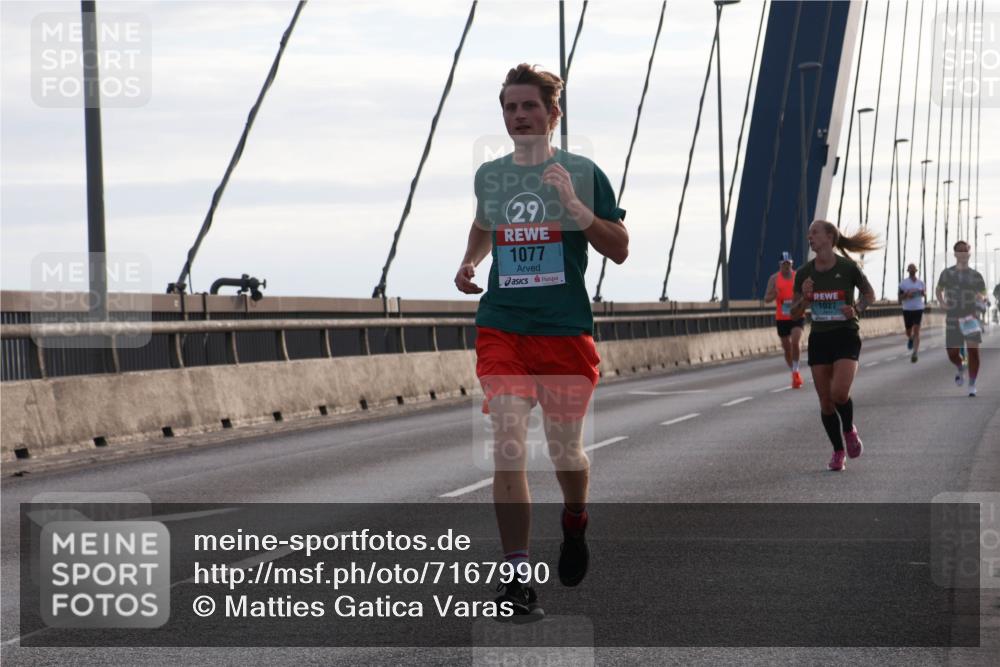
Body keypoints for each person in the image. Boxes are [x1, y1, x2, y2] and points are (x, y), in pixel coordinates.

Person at [454, 64, 628, 617]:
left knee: (565, 453)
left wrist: (577, 210)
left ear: (553, 115)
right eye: (510, 107)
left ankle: (575, 519)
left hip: (563, 333)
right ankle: (516, 579)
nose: (519, 116)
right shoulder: (491, 176)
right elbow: (486, 223)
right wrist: (470, 259)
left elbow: (620, 247)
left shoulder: (583, 171)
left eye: (530, 106)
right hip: (503, 324)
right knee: (507, 440)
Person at [790, 220, 879, 472]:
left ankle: (849, 429)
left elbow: (869, 294)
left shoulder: (848, 267)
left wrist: (857, 308)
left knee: (840, 393)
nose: (810, 237)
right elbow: (793, 311)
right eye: (808, 234)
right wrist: (805, 299)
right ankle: (838, 451)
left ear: (830, 236)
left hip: (845, 334)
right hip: (820, 339)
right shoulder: (804, 273)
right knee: (826, 403)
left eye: (814, 233)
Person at [935, 241, 987, 397]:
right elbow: (939, 290)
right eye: (960, 251)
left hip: (971, 317)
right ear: (955, 254)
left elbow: (983, 293)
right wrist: (942, 302)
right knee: (952, 353)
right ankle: (960, 366)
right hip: (953, 317)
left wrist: (981, 297)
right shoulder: (946, 273)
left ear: (969, 254)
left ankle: (972, 384)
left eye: (966, 251)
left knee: (973, 352)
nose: (963, 254)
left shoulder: (976, 276)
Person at [764, 252, 805, 388]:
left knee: (795, 341)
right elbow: (766, 299)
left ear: (792, 264)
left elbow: (805, 293)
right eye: (784, 264)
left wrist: (800, 302)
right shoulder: (774, 279)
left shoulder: (797, 277)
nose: (786, 267)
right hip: (782, 317)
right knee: (787, 348)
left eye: (789, 264)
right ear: (780, 265)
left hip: (796, 315)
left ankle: (796, 371)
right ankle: (794, 372)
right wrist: (774, 294)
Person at [898, 263, 927, 363]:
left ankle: (915, 353)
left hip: (918, 308)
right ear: (908, 271)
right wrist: (906, 294)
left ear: (916, 271)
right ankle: (910, 338)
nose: (912, 271)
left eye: (913, 269)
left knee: (917, 330)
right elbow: (899, 298)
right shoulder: (903, 284)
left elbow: (924, 294)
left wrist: (923, 293)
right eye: (910, 269)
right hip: (907, 309)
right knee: (908, 332)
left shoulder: (921, 283)